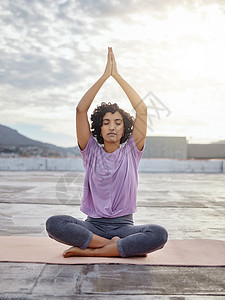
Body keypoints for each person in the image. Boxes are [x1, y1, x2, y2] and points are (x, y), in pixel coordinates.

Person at [46, 47, 168, 258]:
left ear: (125, 128)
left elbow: (142, 110)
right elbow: (80, 110)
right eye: (107, 122)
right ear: (99, 128)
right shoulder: (90, 150)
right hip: (93, 226)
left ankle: (92, 251)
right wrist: (104, 77)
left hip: (124, 227)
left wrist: (117, 76)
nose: (112, 127)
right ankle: (113, 247)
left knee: (158, 234)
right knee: (54, 223)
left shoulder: (132, 150)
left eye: (117, 123)